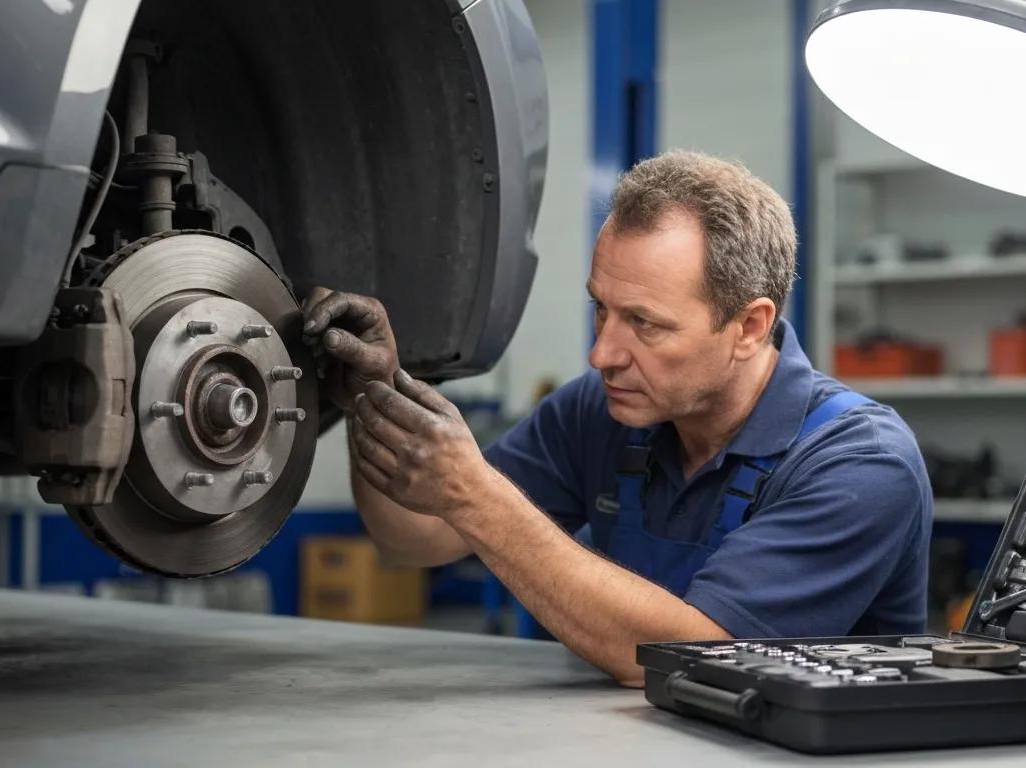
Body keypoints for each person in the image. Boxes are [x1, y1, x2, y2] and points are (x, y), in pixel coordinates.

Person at [302, 150, 932, 687]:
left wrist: (476, 493)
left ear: (749, 327)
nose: (602, 353)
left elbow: (697, 654)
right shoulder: (601, 411)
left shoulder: (861, 464)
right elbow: (414, 538)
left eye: (645, 323)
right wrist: (370, 396)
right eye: (601, 309)